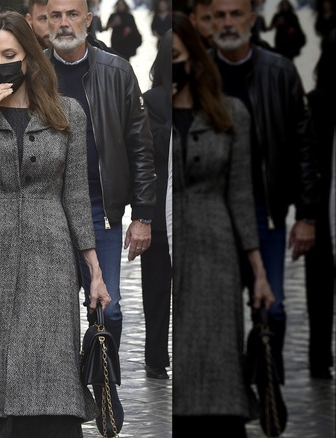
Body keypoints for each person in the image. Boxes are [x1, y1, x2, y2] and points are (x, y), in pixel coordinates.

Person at [0, 10, 112, 437]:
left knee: (51, 372)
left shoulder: (66, 111)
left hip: (49, 253)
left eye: (11, 54)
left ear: (30, 57)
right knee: (0, 377)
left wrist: (93, 270)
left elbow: (75, 194)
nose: (2, 64)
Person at [170, 13, 276, 435]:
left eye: (176, 56)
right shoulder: (149, 111)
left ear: (193, 60)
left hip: (216, 250)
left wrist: (259, 272)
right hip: (169, 244)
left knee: (216, 358)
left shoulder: (230, 114)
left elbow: (241, 195)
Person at [210, 0, 319, 383]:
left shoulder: (280, 72)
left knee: (272, 307)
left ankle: (266, 387)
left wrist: (307, 216)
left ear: (252, 20)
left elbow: (305, 147)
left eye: (235, 14)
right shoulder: (201, 72)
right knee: (218, 315)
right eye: (219, 15)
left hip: (266, 209)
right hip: (214, 210)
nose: (227, 23)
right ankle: (228, 397)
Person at [46, 0, 156, 350]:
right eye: (56, 16)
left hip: (100, 208)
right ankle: (61, 395)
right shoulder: (32, 74)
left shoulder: (117, 72)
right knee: (52, 313)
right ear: (46, 21)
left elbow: (140, 147)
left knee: (109, 309)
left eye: (72, 14)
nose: (64, 23)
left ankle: (103, 393)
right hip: (47, 208)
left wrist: (142, 215)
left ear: (88, 20)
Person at [139, 30, 172, 380]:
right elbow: (152, 148)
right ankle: (155, 356)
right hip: (159, 212)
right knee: (157, 291)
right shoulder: (152, 100)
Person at [304, 32, 335, 379]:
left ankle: (319, 356)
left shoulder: (315, 102)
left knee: (319, 288)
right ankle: (318, 356)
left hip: (318, 208)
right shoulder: (318, 104)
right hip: (319, 208)